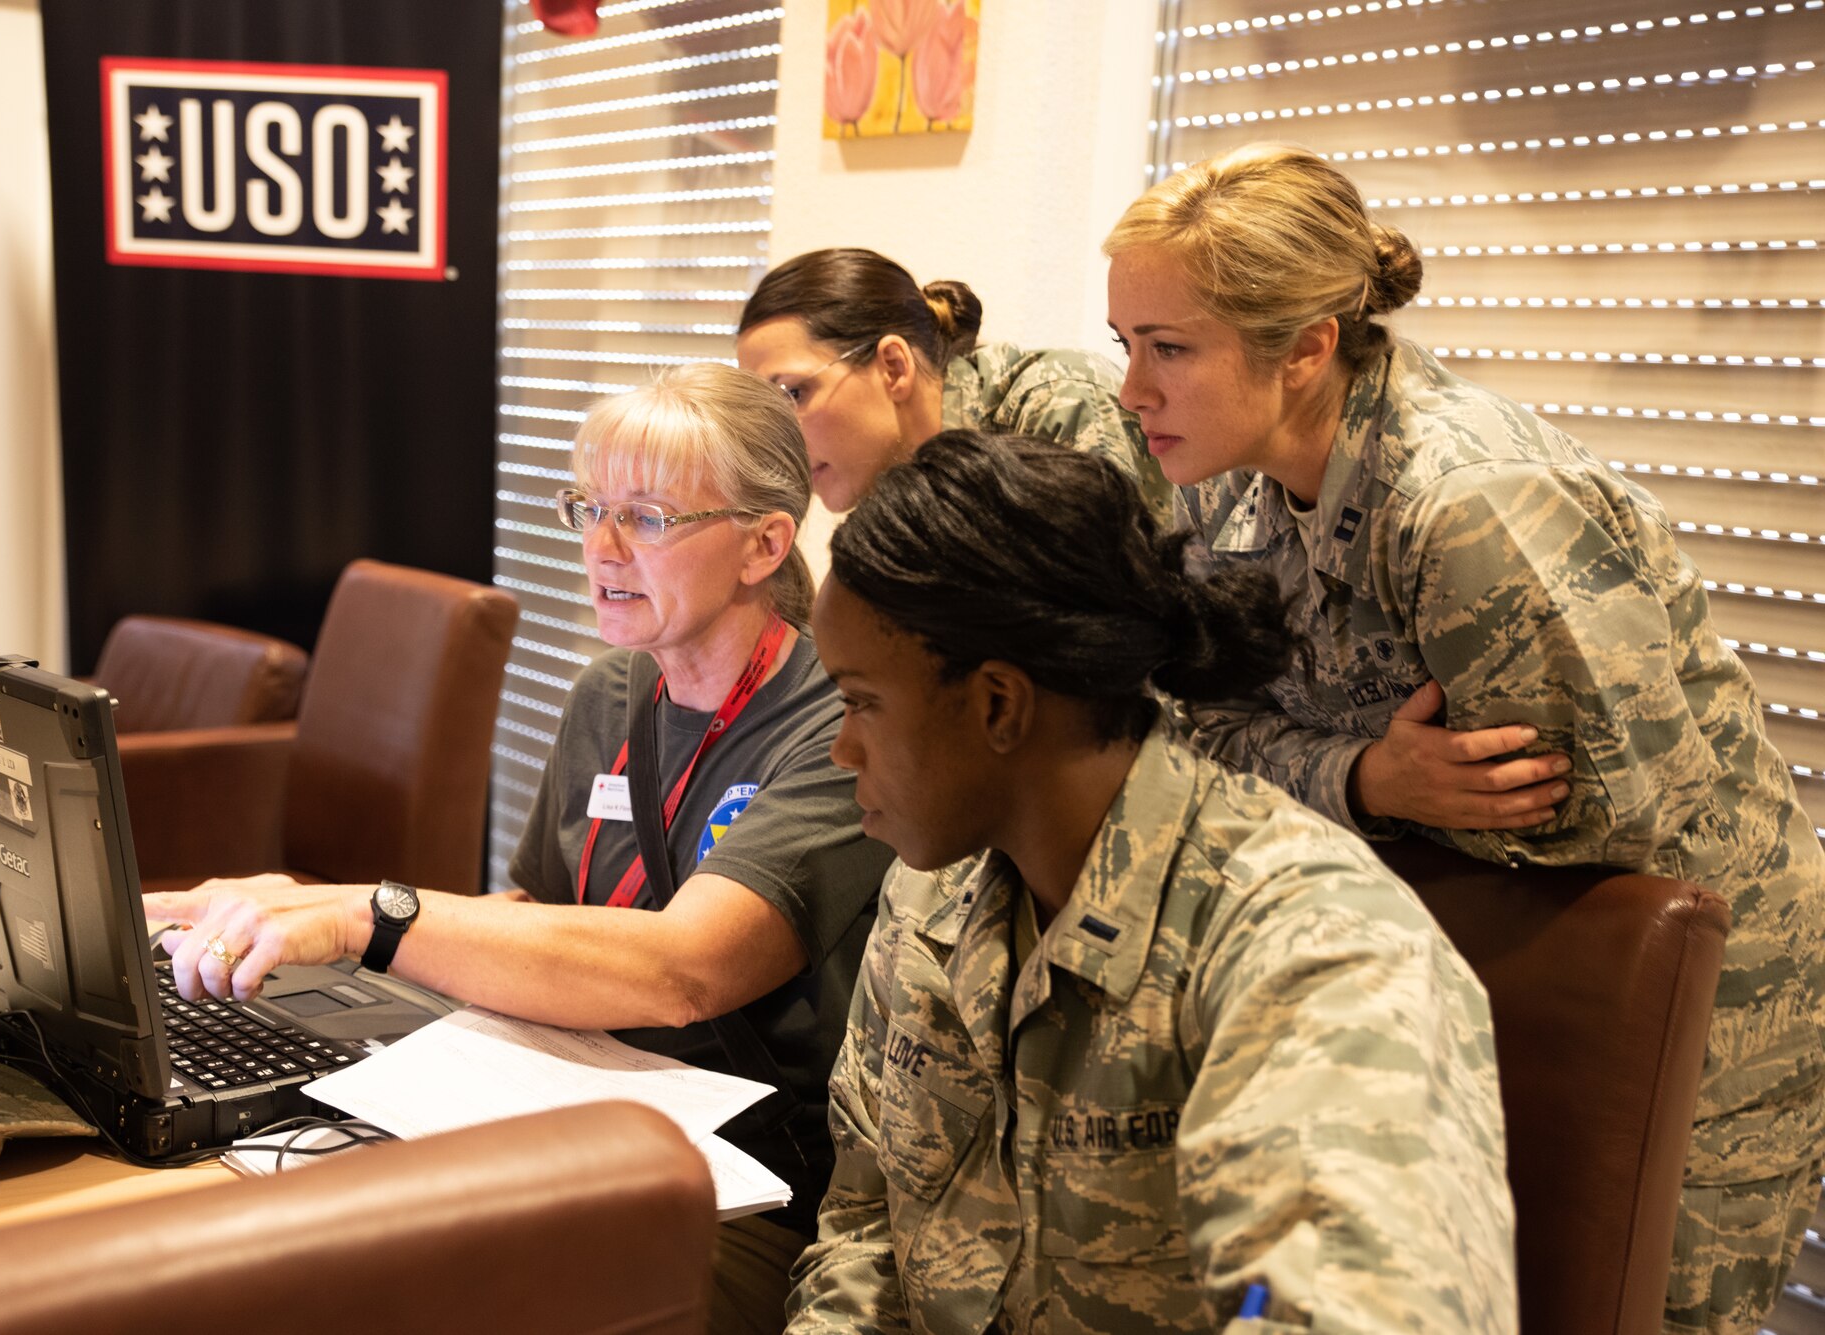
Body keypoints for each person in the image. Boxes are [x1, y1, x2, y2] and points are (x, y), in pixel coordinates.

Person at [1104, 142, 1825, 1335]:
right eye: (1125, 342)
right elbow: (1187, 722)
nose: (1130, 389)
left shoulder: (1465, 501)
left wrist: (1327, 778)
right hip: (1457, 950)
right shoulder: (1218, 477)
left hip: (1705, 1000)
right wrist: (1365, 775)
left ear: (1306, 347)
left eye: (1167, 348)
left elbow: (1613, 812)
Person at [146, 363, 897, 1335]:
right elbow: (535, 918)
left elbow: (684, 970)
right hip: (571, 1110)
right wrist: (304, 905)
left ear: (762, 545)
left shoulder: (834, 728)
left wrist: (362, 917)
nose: (604, 547)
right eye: (589, 508)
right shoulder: (610, 695)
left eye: (650, 517)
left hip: (739, 1189)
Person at [791, 429, 1518, 1333]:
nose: (841, 747)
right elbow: (868, 1231)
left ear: (997, 705)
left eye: (861, 702)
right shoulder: (929, 897)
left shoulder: (1310, 948)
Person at [734, 246, 1169, 518]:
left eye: (793, 393)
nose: (776, 439)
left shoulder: (1057, 405)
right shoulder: (888, 477)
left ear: (893, 367)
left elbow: (1112, 636)